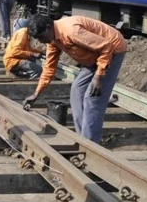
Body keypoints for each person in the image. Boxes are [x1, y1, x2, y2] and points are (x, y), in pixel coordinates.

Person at [23, 15, 127, 143]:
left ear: (48, 28)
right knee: (76, 91)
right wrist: (36, 93)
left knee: (93, 98)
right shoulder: (53, 39)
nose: (41, 42)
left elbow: (107, 46)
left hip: (112, 51)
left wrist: (98, 77)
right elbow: (49, 68)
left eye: (41, 37)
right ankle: (83, 139)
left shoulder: (71, 32)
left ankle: (91, 145)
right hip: (93, 56)